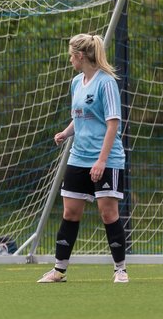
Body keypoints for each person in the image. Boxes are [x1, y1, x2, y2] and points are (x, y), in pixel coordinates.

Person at [37, 33, 130, 284]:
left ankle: (120, 269)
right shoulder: (77, 82)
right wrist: (66, 133)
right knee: (70, 212)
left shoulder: (106, 83)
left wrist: (101, 161)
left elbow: (112, 124)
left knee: (108, 214)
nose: (70, 60)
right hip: (78, 157)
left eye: (71, 56)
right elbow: (80, 116)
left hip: (106, 159)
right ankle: (59, 270)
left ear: (80, 56)